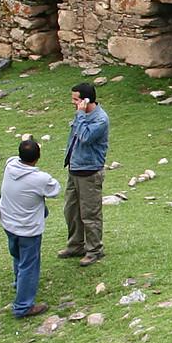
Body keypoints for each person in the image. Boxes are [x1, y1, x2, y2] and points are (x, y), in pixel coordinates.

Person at [0, 137, 61, 318]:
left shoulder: (10, 166)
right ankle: (23, 306)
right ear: (38, 157)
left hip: (8, 223)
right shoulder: (40, 179)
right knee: (29, 265)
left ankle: (19, 283)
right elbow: (55, 189)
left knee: (17, 255)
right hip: (28, 229)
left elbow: (14, 158)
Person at [59, 81, 110, 266]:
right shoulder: (81, 115)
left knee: (90, 214)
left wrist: (80, 115)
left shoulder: (100, 119)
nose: (73, 103)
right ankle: (75, 245)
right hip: (75, 169)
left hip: (89, 172)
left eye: (76, 99)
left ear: (86, 100)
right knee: (71, 211)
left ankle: (94, 250)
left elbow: (85, 137)